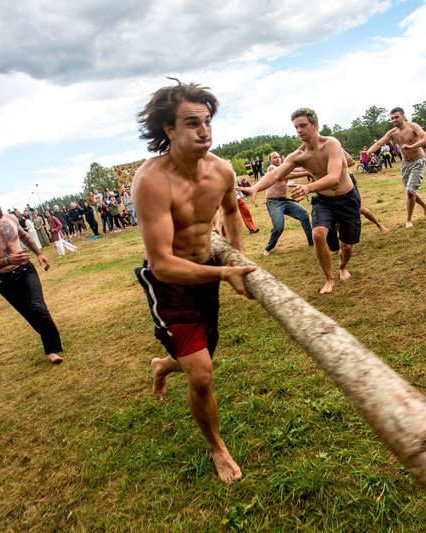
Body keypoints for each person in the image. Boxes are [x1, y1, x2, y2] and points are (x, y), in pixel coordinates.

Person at [132, 80, 256, 484]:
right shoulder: (151, 180)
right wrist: (226, 271)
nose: (204, 131)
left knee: (199, 359)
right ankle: (217, 448)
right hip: (169, 283)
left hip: (208, 277)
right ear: (169, 129)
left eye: (207, 121)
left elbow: (233, 212)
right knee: (202, 374)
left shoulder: (222, 170)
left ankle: (163, 365)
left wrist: (237, 254)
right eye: (191, 123)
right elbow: (163, 263)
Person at [242, 108, 360, 295]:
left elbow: (334, 177)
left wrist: (308, 187)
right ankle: (329, 279)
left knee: (346, 246)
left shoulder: (331, 144)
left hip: (347, 199)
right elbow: (276, 174)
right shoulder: (298, 155)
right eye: (296, 127)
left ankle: (342, 267)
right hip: (324, 200)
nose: (299, 131)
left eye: (303, 125)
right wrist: (255, 188)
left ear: (315, 125)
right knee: (318, 233)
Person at [0, 185, 63, 364]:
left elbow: (25, 237)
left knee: (38, 307)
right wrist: (7, 261)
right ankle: (50, 340)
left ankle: (52, 349)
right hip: (4, 279)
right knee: (30, 314)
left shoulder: (10, 218)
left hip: (26, 270)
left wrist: (39, 253)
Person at [366, 107, 426, 228]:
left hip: (418, 161)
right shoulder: (393, 133)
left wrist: (411, 147)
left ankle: (408, 220)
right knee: (410, 190)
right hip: (405, 164)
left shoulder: (413, 127)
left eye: (396, 117)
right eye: (392, 118)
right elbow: (379, 143)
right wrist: (368, 152)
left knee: (410, 191)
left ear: (403, 116)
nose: (394, 120)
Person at [258, 151, 313, 255]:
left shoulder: (285, 167)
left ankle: (312, 242)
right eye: (275, 157)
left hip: (284, 201)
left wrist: (309, 165)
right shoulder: (272, 168)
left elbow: (300, 169)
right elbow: (285, 176)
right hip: (273, 202)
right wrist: (306, 173)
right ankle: (268, 248)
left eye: (279, 157)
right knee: (279, 227)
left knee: (304, 214)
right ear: (270, 161)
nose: (277, 159)